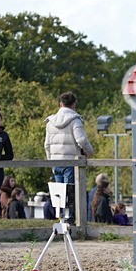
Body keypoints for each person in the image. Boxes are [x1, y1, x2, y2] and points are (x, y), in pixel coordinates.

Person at [44, 92, 94, 224]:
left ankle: (60, 219)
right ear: (74, 104)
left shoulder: (50, 122)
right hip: (71, 161)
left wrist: (51, 162)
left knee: (59, 194)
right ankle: (71, 219)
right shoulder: (75, 120)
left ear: (60, 104)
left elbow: (47, 145)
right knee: (71, 191)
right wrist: (90, 152)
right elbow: (81, 140)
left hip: (56, 161)